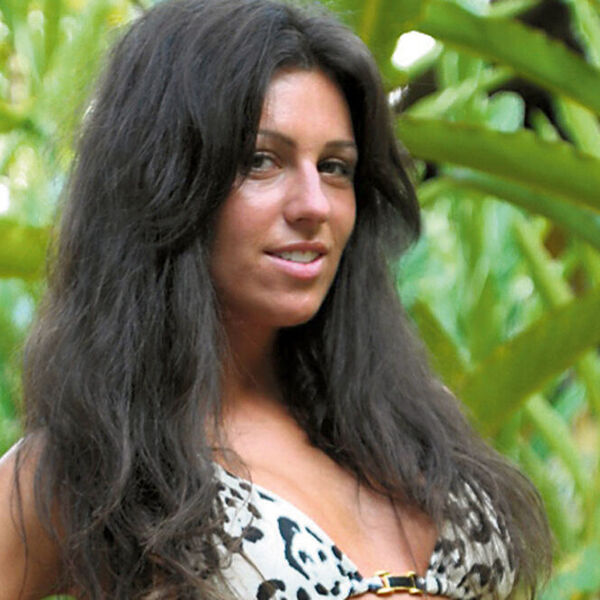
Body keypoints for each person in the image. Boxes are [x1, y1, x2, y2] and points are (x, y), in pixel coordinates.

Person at [0, 0, 552, 598]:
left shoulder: (405, 424)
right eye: (262, 161)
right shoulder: (93, 463)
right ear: (166, 181)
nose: (315, 204)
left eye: (335, 167)